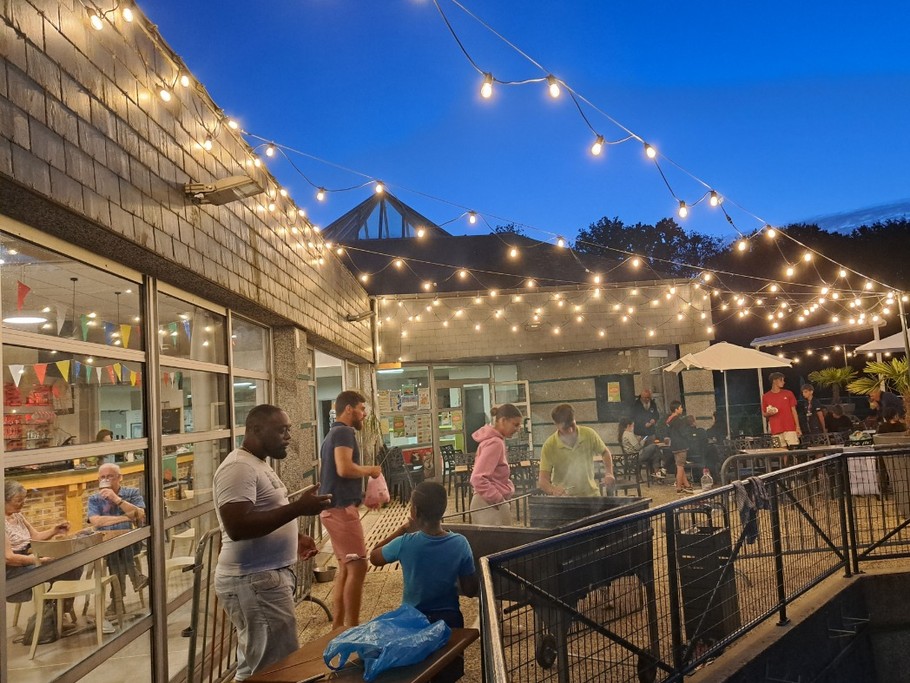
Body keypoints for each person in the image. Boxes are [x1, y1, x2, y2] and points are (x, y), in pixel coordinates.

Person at [213, 404, 332, 682]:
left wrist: (294, 536)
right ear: (255, 429)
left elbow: (262, 513)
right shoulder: (238, 467)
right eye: (281, 430)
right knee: (277, 669)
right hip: (253, 581)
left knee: (256, 667)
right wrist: (298, 509)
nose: (288, 436)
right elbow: (237, 526)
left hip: (262, 579)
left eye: (289, 429)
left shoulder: (257, 463)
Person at [370, 482, 478, 627]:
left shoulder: (404, 543)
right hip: (449, 622)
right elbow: (470, 590)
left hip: (412, 621)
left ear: (414, 511)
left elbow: (374, 557)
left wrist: (403, 529)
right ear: (443, 509)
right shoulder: (460, 543)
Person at [319, 390, 383, 630]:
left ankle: (338, 627)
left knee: (346, 567)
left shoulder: (331, 433)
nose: (364, 414)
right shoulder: (345, 432)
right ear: (349, 409)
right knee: (358, 566)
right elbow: (344, 468)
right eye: (362, 408)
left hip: (332, 510)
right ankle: (353, 628)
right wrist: (370, 471)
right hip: (341, 510)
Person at [5, 481, 81, 609]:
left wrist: (55, 530)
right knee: (64, 568)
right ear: (4, 499)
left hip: (31, 556)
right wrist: (38, 560)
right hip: (14, 569)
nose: (22, 503)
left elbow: (35, 537)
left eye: (24, 499)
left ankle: (54, 610)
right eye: (18, 500)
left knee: (73, 563)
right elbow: (9, 558)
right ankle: (54, 612)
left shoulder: (18, 516)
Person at [87, 463, 147, 615]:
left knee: (120, 544)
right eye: (102, 477)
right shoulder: (94, 499)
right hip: (105, 545)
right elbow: (96, 522)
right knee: (116, 547)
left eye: (110, 476)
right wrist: (124, 518)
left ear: (120, 478)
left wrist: (117, 499)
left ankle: (116, 602)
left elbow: (140, 515)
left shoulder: (132, 492)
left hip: (132, 543)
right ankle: (135, 577)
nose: (106, 480)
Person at [538, 403, 614, 496]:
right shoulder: (549, 445)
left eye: (572, 425)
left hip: (591, 495)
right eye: (565, 428)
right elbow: (543, 480)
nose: (570, 430)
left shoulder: (589, 434)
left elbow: (605, 452)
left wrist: (609, 473)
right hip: (565, 499)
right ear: (556, 425)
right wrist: (553, 490)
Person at [469, 404, 523, 525]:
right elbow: (477, 478)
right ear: (503, 421)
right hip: (489, 504)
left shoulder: (492, 440)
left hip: (486, 501)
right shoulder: (495, 443)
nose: (518, 429)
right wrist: (499, 500)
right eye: (515, 424)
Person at [762, 372, 801, 447]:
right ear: (774, 381)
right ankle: (784, 459)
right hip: (775, 429)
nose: (784, 382)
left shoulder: (789, 393)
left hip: (790, 427)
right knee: (780, 451)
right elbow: (764, 413)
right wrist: (769, 413)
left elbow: (794, 411)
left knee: (794, 449)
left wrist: (797, 427)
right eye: (781, 380)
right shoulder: (766, 396)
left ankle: (794, 459)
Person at [665, 401, 693, 493]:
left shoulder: (669, 420)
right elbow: (683, 433)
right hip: (681, 445)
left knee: (680, 465)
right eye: (680, 407)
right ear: (676, 409)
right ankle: (678, 487)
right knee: (680, 466)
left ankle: (687, 484)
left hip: (674, 445)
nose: (682, 409)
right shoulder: (679, 421)